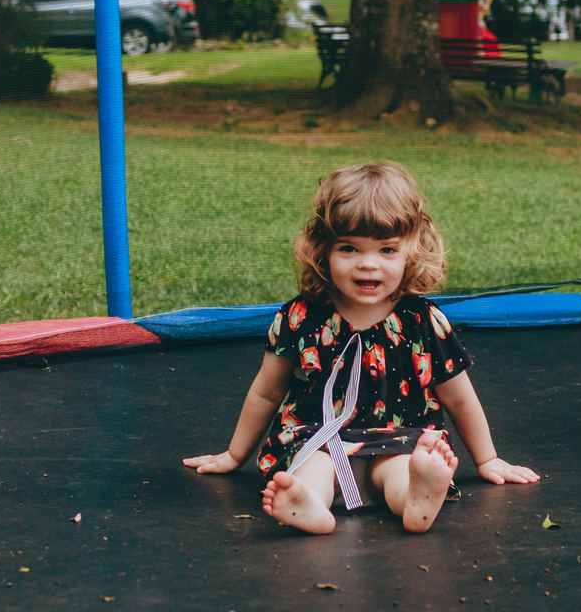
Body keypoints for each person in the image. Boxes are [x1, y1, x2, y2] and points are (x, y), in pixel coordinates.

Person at [183, 162, 538, 534]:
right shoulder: (299, 317)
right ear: (323, 250)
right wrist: (233, 455)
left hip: (398, 439)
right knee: (314, 469)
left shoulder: (422, 320)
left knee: (400, 469)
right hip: (318, 439)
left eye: (387, 250)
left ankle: (416, 498)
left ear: (412, 251)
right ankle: (309, 504)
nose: (368, 264)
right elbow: (266, 391)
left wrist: (487, 459)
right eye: (349, 248)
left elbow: (460, 398)